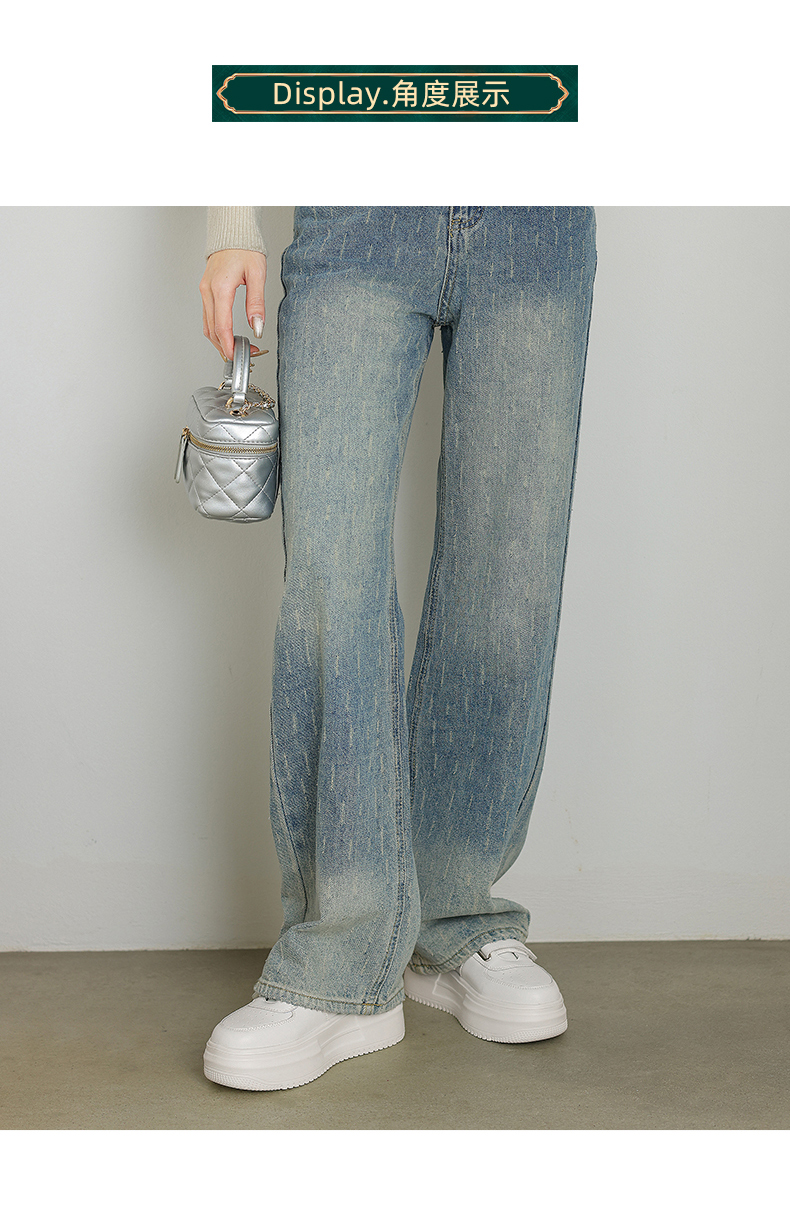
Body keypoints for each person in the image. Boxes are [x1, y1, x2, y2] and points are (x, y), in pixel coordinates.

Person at [198, 206, 597, 1091]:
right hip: (361, 215)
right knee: (332, 580)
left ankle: (453, 921)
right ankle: (340, 960)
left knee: (510, 578)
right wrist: (231, 224)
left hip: (538, 224)